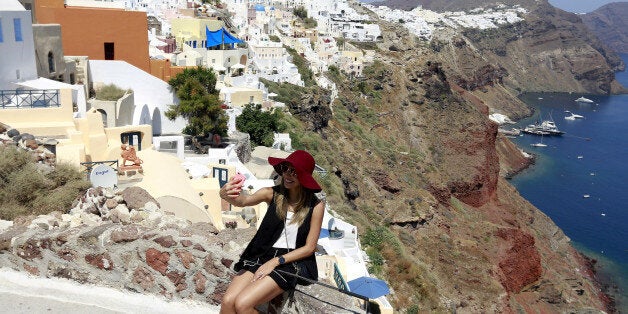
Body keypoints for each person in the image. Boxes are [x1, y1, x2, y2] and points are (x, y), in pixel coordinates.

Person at [219, 150, 325, 313]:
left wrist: (276, 262)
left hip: (290, 262)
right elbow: (244, 201)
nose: (287, 174)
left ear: (304, 176)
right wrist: (225, 194)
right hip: (262, 254)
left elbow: (310, 248)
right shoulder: (272, 193)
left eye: (294, 171)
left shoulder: (315, 206)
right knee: (228, 301)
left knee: (242, 304)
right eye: (285, 168)